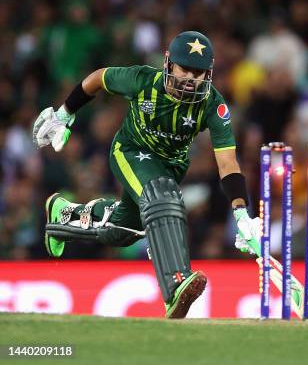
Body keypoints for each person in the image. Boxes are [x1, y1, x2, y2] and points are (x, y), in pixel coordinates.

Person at [32, 31, 262, 318]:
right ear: (169, 63)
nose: (192, 78)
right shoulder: (142, 80)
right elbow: (98, 78)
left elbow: (228, 163)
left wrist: (241, 214)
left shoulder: (213, 105)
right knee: (164, 197)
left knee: (123, 231)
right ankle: (175, 286)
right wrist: (65, 113)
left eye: (199, 73)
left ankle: (64, 215)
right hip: (129, 152)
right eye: (185, 69)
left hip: (170, 167)